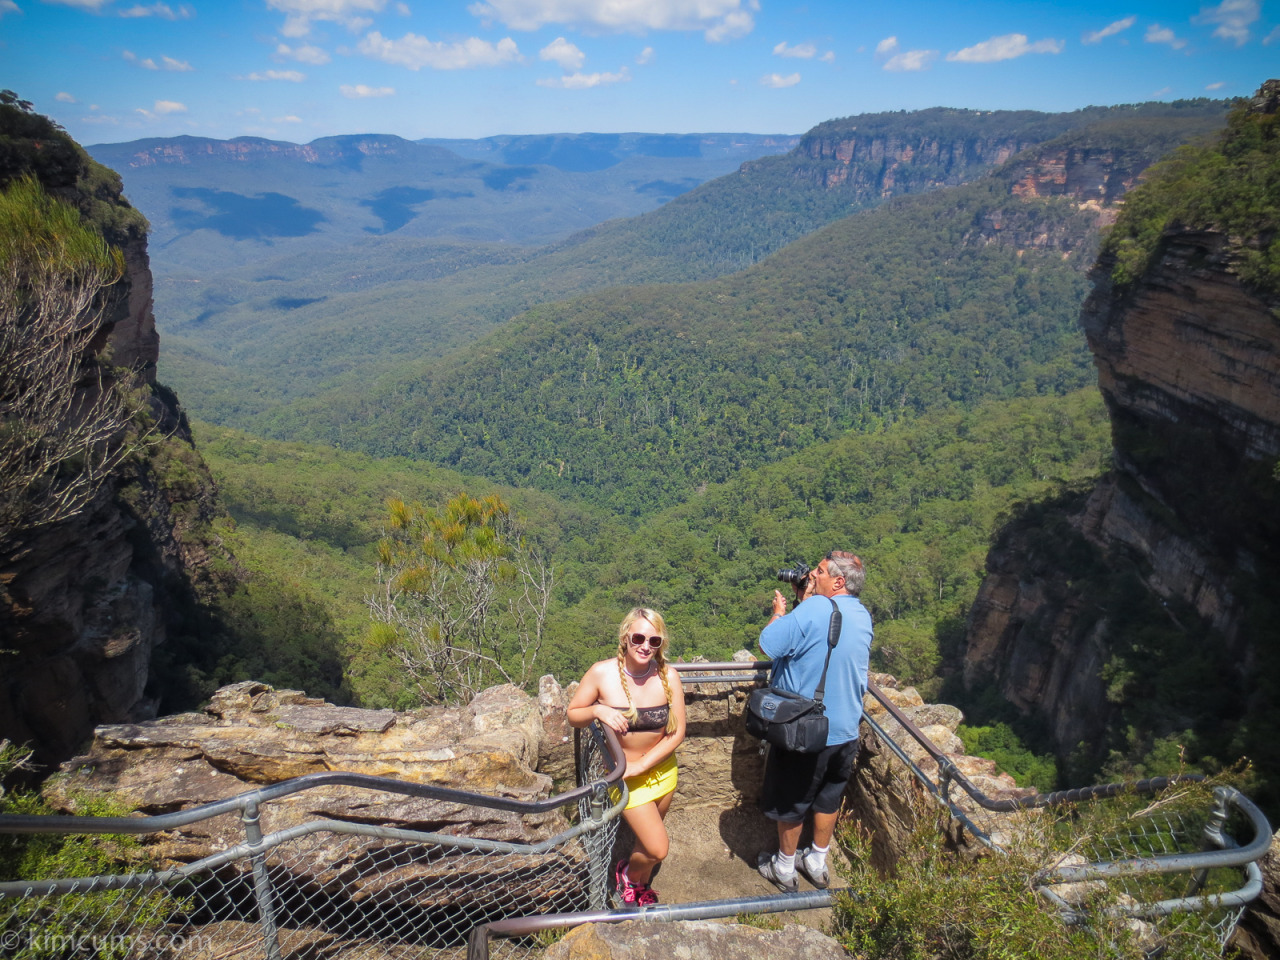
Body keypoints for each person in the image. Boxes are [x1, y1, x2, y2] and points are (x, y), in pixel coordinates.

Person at [756, 551, 872, 892]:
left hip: (806, 730)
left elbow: (769, 645)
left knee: (793, 799)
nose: (812, 577)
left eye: (819, 572)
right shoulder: (863, 615)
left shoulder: (815, 608)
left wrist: (781, 613)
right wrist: (806, 600)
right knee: (828, 798)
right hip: (847, 728)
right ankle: (818, 862)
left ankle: (784, 868)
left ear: (838, 581)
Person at [567, 607, 687, 906]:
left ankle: (638, 883)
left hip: (661, 770)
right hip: (626, 778)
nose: (646, 646)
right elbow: (572, 715)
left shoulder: (668, 676)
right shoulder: (602, 673)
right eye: (638, 637)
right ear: (625, 638)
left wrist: (643, 764)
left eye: (654, 641)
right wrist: (597, 709)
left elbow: (678, 732)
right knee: (658, 849)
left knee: (646, 841)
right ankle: (629, 877)